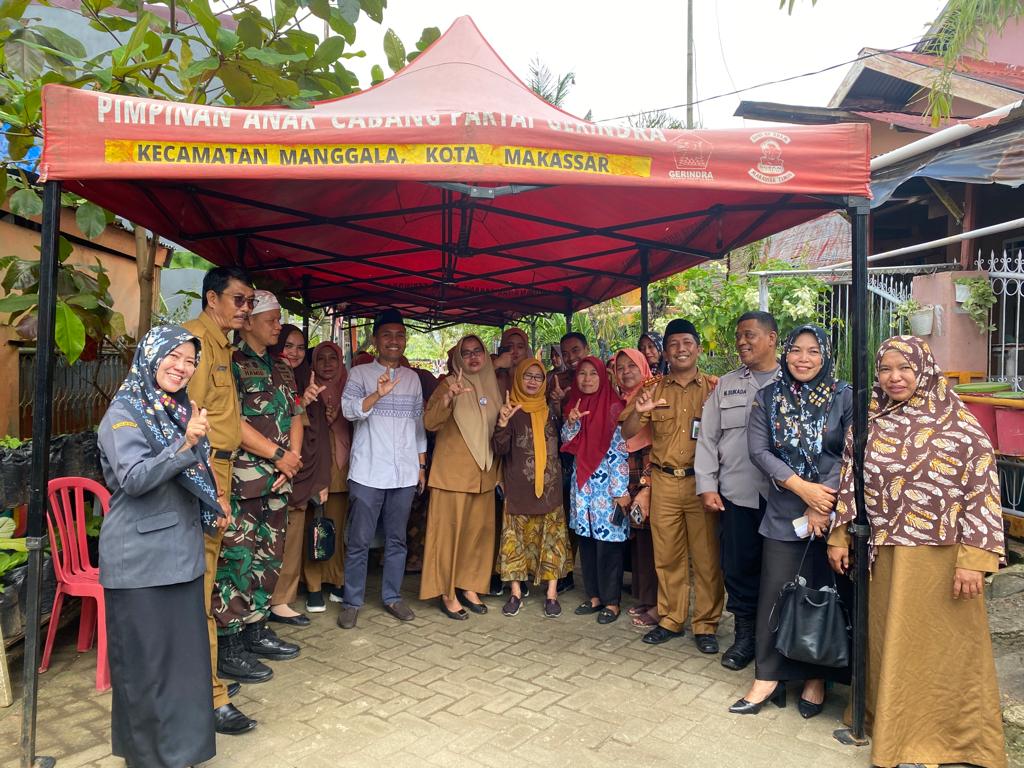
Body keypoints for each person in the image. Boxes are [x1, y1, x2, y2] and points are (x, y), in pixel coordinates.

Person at [828, 336, 1007, 766]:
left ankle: (948, 739)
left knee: (941, 651)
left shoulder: (959, 425)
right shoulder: (868, 423)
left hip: (943, 561)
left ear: (924, 370)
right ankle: (894, 731)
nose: (894, 378)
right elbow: (850, 484)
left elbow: (982, 492)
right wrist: (838, 536)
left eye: (904, 369)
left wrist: (974, 561)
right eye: (886, 369)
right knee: (891, 644)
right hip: (886, 557)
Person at [97, 326, 223, 767]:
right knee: (146, 669)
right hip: (141, 563)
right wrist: (186, 444)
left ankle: (181, 753)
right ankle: (150, 758)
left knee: (182, 668)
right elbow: (134, 479)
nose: (182, 367)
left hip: (180, 557)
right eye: (174, 356)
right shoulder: (124, 412)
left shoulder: (177, 408)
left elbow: (195, 469)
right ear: (151, 355)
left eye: (190, 361)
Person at [733, 323, 853, 717]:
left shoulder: (845, 397)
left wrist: (822, 501)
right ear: (785, 353)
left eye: (813, 351)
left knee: (823, 594)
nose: (804, 358)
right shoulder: (768, 397)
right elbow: (759, 451)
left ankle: (816, 680)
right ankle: (767, 677)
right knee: (776, 593)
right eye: (797, 350)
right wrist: (803, 489)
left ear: (826, 355)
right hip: (785, 509)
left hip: (832, 513)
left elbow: (853, 452)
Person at [213, 290, 302, 682]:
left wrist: (293, 458)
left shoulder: (281, 367)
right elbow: (232, 422)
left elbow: (296, 412)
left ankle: (256, 629)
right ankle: (229, 644)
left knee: (269, 559)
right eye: (272, 320)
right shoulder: (230, 363)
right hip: (245, 480)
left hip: (280, 480)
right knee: (237, 561)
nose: (278, 326)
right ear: (249, 322)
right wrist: (277, 456)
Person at [182, 265, 257, 735]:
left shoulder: (220, 344)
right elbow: (186, 422)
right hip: (207, 469)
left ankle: (206, 684)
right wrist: (211, 486)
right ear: (212, 298)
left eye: (249, 301)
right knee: (199, 585)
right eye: (238, 299)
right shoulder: (193, 342)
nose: (245, 308)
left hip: (221, 466)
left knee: (205, 584)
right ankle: (207, 696)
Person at [620, 319, 722, 652]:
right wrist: (638, 410)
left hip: (701, 482)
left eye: (687, 343)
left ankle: (705, 625)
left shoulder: (714, 388)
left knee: (707, 558)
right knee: (667, 555)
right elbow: (628, 431)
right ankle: (671, 619)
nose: (681, 349)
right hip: (663, 481)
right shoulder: (654, 389)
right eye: (674, 344)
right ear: (665, 351)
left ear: (698, 348)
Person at [695, 311, 780, 671]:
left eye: (750, 335)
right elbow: (707, 437)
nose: (742, 342)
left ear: (772, 339)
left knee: (779, 571)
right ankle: (745, 638)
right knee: (739, 568)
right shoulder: (726, 385)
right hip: (737, 493)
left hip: (782, 499)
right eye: (738, 337)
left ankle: (776, 641)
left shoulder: (793, 380)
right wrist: (707, 485)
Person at [339, 309, 425, 627]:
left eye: (399, 335)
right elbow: (349, 411)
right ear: (375, 340)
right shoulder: (360, 375)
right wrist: (377, 393)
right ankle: (352, 601)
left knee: (397, 539)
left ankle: (392, 597)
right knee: (360, 540)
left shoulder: (413, 378)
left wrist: (421, 465)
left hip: (403, 472)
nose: (394, 340)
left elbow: (418, 426)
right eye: (387, 335)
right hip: (368, 472)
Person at [420, 334, 502, 619]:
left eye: (477, 351)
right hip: (452, 475)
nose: (473, 357)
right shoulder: (449, 383)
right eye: (465, 353)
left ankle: (470, 587)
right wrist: (447, 398)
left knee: (477, 536)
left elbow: (498, 430)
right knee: (448, 536)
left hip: (485, 473)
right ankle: (447, 592)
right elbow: (430, 423)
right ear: (457, 359)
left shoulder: (493, 385)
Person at [492, 358, 571, 618]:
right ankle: (515, 593)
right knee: (515, 542)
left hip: (550, 489)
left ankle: (551, 594)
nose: (533, 381)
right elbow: (500, 449)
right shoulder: (511, 410)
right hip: (519, 488)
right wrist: (502, 423)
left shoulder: (550, 411)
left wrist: (560, 406)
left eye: (538, 376)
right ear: (519, 378)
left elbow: (565, 443)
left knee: (551, 541)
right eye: (528, 376)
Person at [267, 325, 332, 625]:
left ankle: (281, 600)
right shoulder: (264, 376)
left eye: (300, 347)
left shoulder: (310, 381)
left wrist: (320, 481)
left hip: (301, 476)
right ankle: (255, 604)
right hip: (265, 473)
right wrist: (299, 403)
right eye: (288, 345)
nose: (294, 352)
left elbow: (319, 436)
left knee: (291, 543)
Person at [562, 355, 629, 625]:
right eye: (582, 374)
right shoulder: (574, 406)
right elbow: (568, 442)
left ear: (603, 376)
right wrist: (573, 421)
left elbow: (619, 452)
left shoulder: (615, 407)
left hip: (607, 487)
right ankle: (594, 596)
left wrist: (619, 490)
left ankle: (612, 601)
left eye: (593, 374)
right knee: (587, 541)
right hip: (582, 486)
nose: (587, 379)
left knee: (608, 545)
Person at [612, 349, 658, 628]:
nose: (627, 371)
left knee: (655, 540)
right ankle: (644, 596)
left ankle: (657, 604)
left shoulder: (653, 396)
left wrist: (648, 485)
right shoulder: (622, 401)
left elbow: (661, 442)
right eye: (620, 367)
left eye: (632, 365)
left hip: (649, 469)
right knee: (640, 537)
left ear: (643, 367)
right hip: (629, 469)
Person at [305, 340, 352, 611]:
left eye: (332, 358)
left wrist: (338, 416)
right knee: (314, 525)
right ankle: (313, 586)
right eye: (320, 358)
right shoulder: (307, 387)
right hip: (313, 464)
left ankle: (336, 580)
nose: (326, 364)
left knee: (336, 527)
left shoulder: (349, 387)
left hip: (342, 468)